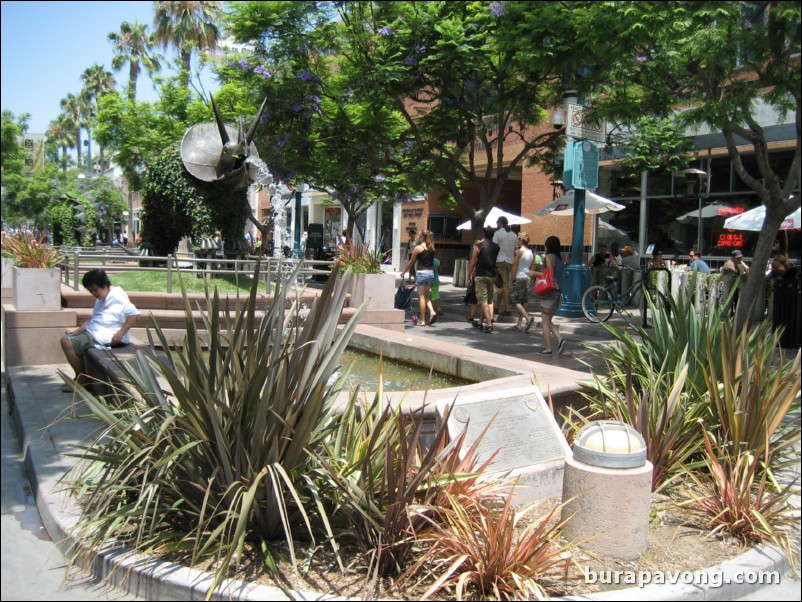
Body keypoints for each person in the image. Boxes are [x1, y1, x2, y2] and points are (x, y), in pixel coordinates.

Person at [60, 269, 140, 392]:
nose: (93, 293)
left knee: (66, 341)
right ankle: (83, 377)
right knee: (68, 338)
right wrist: (76, 332)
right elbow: (93, 318)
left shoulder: (117, 296)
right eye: (90, 291)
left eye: (95, 289)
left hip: (106, 337)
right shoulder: (102, 298)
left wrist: (120, 334)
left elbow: (134, 314)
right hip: (95, 333)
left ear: (104, 284)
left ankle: (82, 379)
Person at [530, 235, 566, 356]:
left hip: (549, 293)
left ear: (548, 246)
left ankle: (548, 349)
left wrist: (534, 273)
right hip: (558, 292)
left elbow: (548, 275)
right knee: (548, 320)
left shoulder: (549, 257)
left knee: (544, 321)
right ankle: (560, 340)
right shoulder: (560, 259)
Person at [402, 229, 438, 326]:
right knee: (426, 296)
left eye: (420, 235)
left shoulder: (418, 248)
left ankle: (422, 320)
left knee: (421, 297)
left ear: (423, 237)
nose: (418, 236)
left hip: (422, 272)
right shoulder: (431, 248)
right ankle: (432, 311)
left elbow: (411, 262)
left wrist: (404, 272)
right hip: (431, 273)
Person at [468, 226, 500, 333]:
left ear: (484, 234)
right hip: (492, 275)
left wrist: (469, 274)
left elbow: (473, 262)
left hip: (480, 275)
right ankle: (480, 322)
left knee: (482, 299)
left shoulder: (478, 246)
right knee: (487, 299)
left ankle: (489, 324)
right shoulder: (496, 247)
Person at [509, 232, 536, 331]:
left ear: (521, 240)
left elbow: (514, 268)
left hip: (519, 277)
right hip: (527, 277)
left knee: (514, 299)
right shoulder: (531, 253)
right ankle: (519, 323)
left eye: (518, 240)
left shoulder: (518, 252)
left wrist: (511, 280)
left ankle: (527, 318)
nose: (517, 241)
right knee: (522, 301)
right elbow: (532, 267)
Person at [492, 216, 518, 316]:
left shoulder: (497, 233)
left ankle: (508, 308)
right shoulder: (514, 235)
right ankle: (496, 307)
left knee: (504, 285)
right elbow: (515, 250)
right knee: (502, 284)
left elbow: (494, 248)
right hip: (510, 261)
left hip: (500, 261)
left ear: (499, 223)